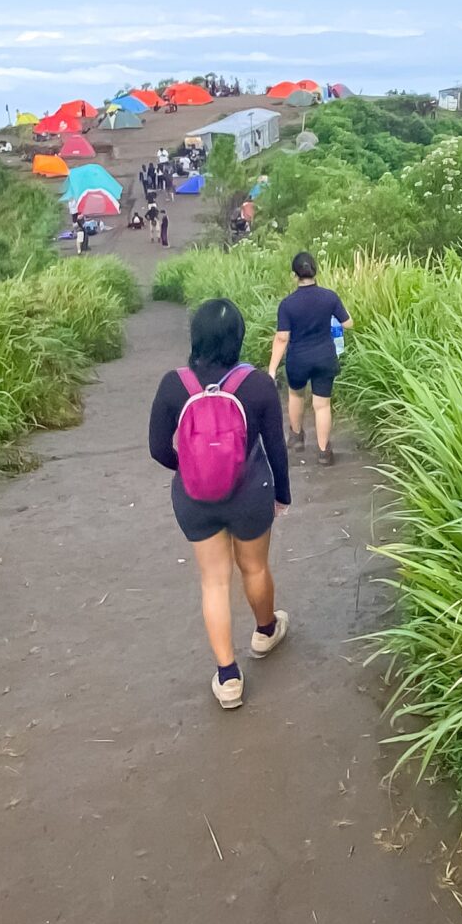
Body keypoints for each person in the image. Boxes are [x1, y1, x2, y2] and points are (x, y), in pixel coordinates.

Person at [148, 299, 290, 708]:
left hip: (195, 500)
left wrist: (188, 467)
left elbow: (158, 448)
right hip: (249, 493)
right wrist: (282, 494)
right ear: (238, 338)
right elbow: (276, 449)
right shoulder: (258, 384)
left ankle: (228, 677)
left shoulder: (173, 385)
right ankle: (265, 632)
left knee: (214, 580)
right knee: (255, 566)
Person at [268, 251, 351, 467]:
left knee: (296, 394)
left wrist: (272, 369)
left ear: (294, 275)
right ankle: (324, 452)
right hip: (325, 356)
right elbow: (348, 323)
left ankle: (296, 437)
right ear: (315, 271)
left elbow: (282, 338)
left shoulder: (288, 304)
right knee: (322, 405)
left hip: (298, 359)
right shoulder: (329, 297)